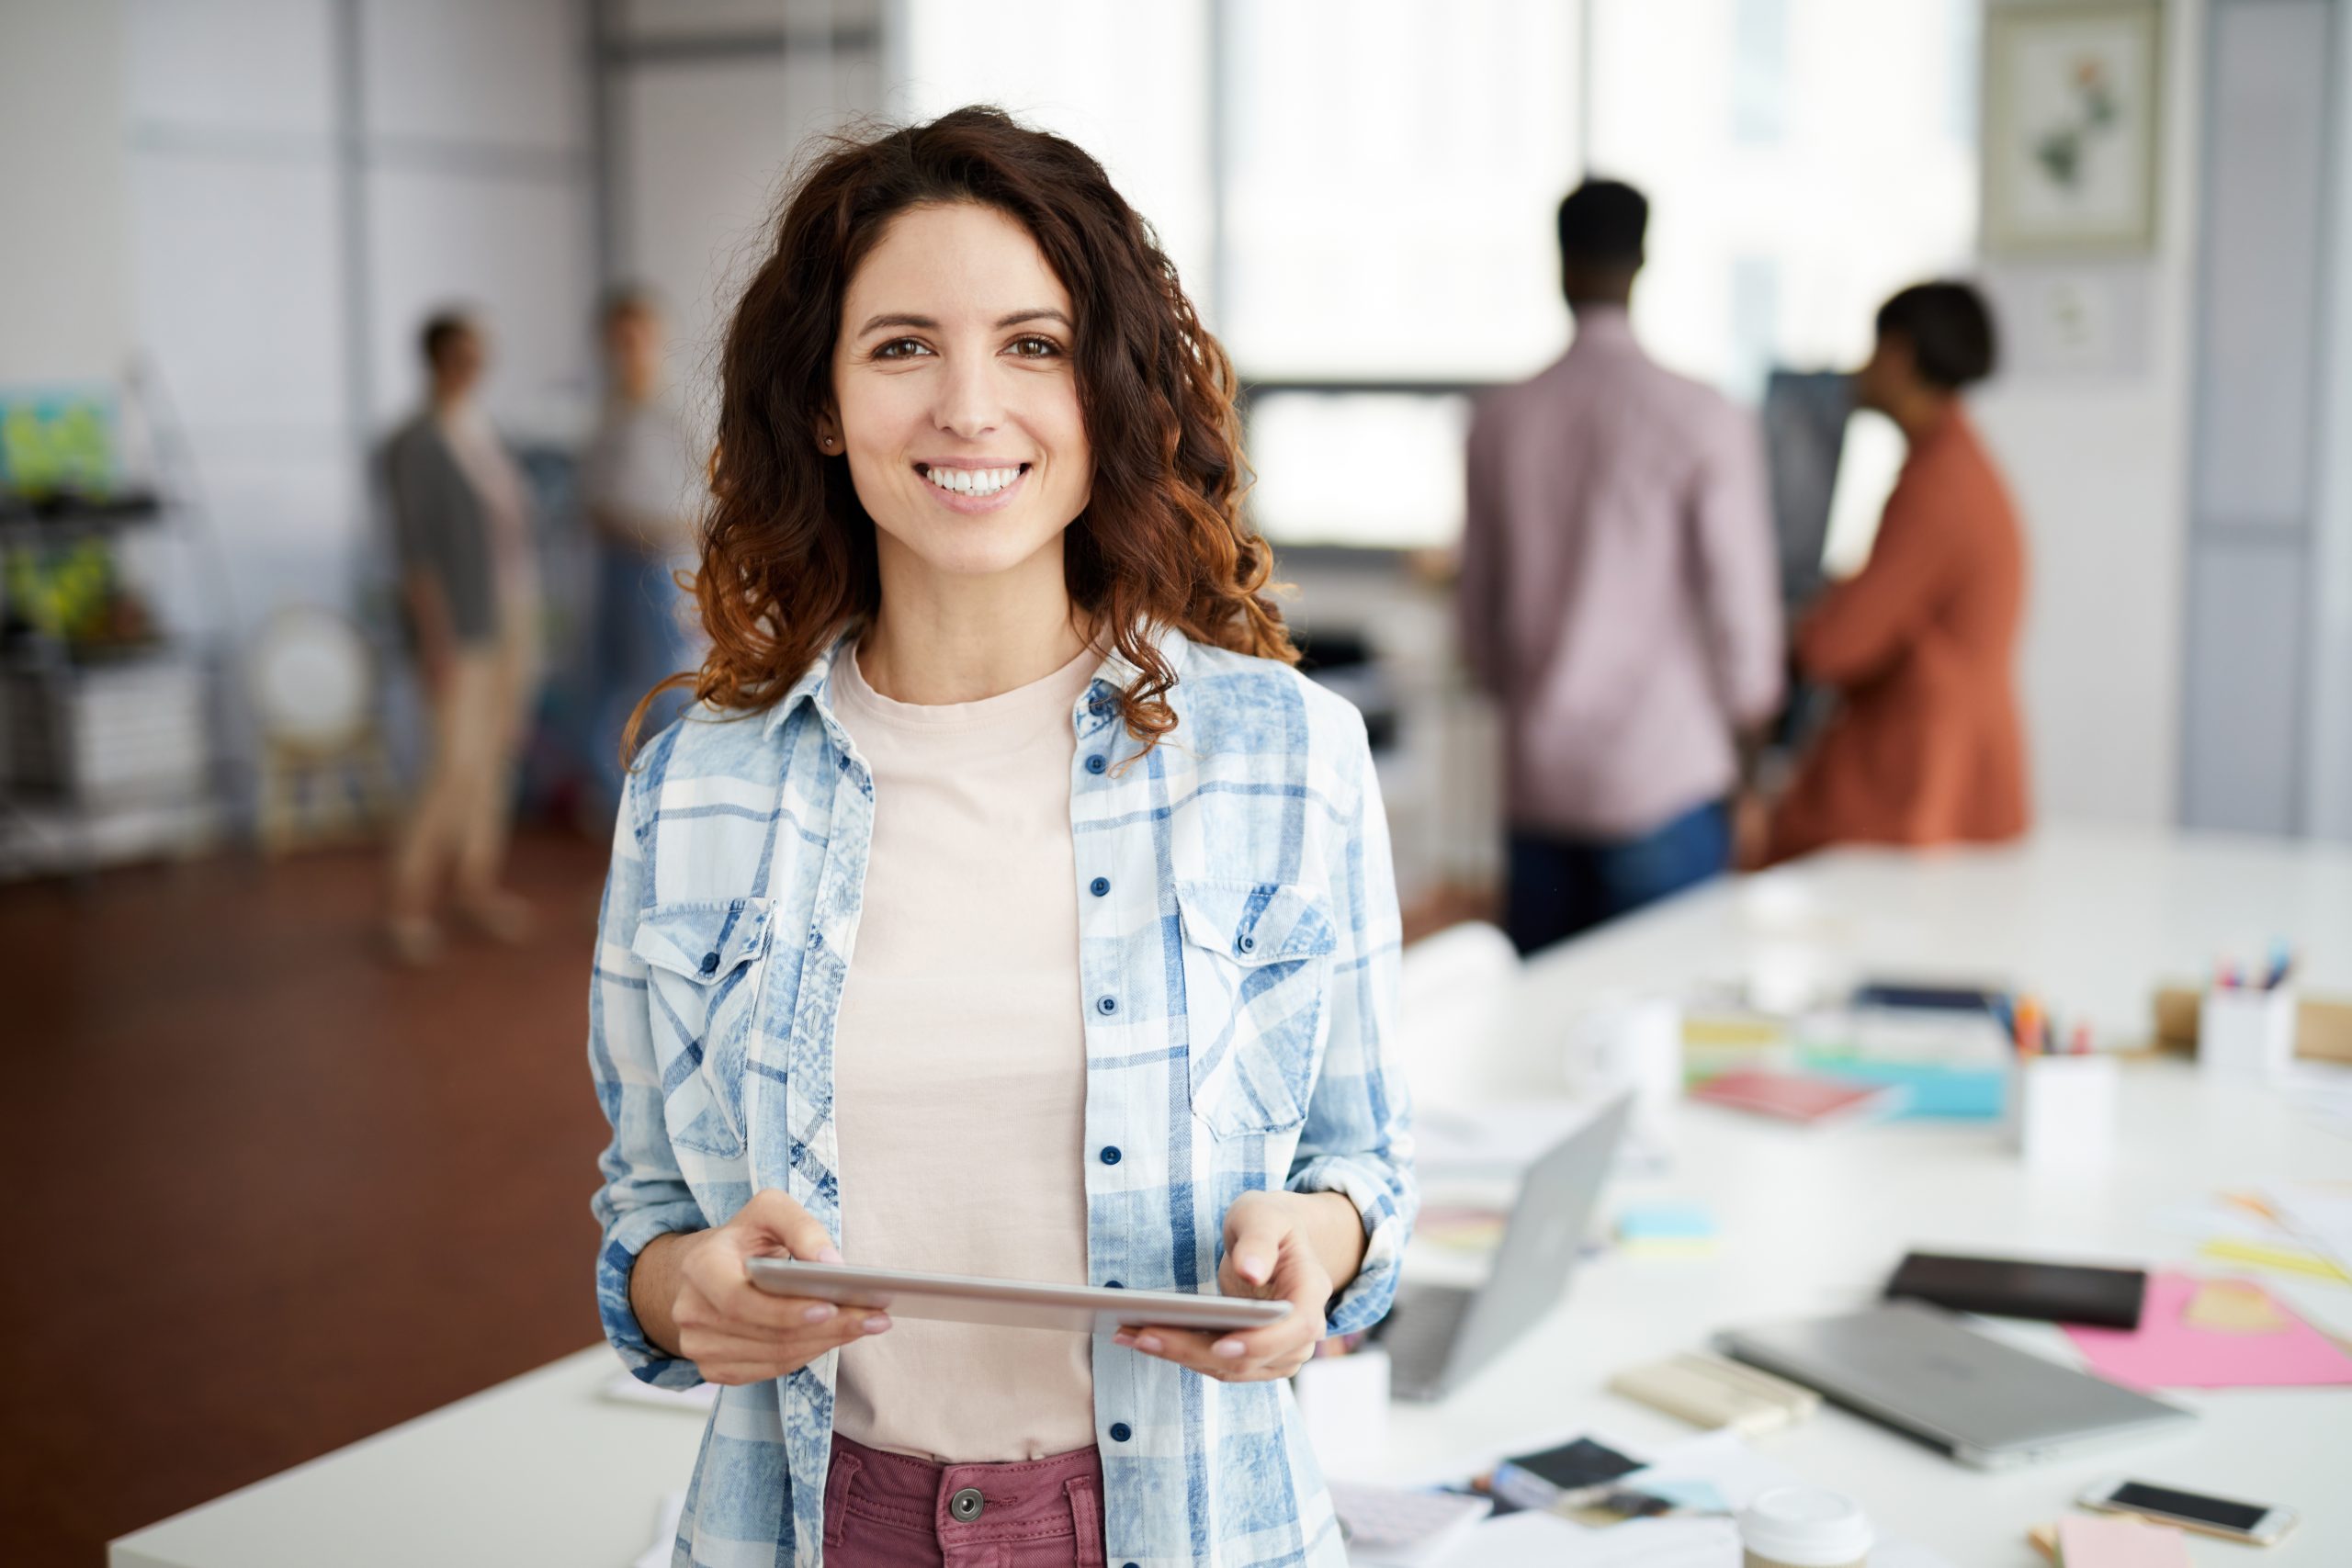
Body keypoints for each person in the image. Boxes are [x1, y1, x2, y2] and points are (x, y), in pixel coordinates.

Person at [586, 107, 1413, 1568]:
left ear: (1108, 393)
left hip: (1191, 1522)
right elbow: (648, 1212)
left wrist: (1320, 1250)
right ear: (826, 406)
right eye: (904, 346)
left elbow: (1367, 1166)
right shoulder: (695, 787)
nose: (970, 407)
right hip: (810, 1518)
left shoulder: (1288, 755)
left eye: (1032, 346)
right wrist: (675, 1293)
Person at [1456, 179, 1782, 953]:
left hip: (1540, 783)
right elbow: (1744, 621)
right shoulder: (1704, 415)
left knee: (1539, 1052)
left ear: (1560, 265)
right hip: (1664, 781)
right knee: (1667, 1036)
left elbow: (1479, 622)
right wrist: (1751, 760)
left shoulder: (1501, 419)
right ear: (1642, 262)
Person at [1759, 281, 2028, 864]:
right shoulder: (1959, 463)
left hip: (1915, 778)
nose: (1859, 368)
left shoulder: (1938, 486)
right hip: (1955, 765)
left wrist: (1798, 622)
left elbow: (1836, 645)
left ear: (1900, 355)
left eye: (1872, 349)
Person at [381, 310, 541, 964]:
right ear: (435, 359)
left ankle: (476, 885)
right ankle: (408, 903)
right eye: (460, 354)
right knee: (453, 764)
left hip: (513, 613)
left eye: (480, 352)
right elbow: (416, 555)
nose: (473, 365)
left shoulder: (484, 429)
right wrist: (435, 642)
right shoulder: (414, 443)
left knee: (498, 756)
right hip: (460, 624)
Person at [581, 287, 701, 818]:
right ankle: (623, 807)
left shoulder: (679, 412)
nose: (628, 348)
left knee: (664, 686)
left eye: (638, 335)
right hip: (612, 565)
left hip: (660, 565)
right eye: (618, 338)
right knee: (608, 692)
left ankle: (672, 804)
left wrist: (665, 535)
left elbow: (716, 494)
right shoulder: (607, 414)